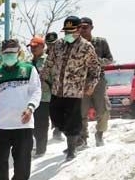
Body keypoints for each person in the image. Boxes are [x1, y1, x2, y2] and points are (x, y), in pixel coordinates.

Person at [0, 39, 41, 180]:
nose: (9, 56)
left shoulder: (29, 70)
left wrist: (31, 108)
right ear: (2, 54)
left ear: (18, 53)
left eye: (12, 53)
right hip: (2, 124)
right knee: (1, 160)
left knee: (23, 158)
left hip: (23, 123)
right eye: (6, 53)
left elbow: (36, 91)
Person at [40, 16, 100, 161]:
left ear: (79, 30)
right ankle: (71, 136)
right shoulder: (58, 45)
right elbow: (49, 63)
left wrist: (91, 85)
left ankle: (71, 149)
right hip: (57, 89)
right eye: (66, 31)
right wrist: (42, 78)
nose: (68, 34)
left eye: (71, 31)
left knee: (72, 121)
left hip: (74, 91)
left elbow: (95, 69)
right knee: (55, 117)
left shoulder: (86, 47)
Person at [79, 17, 114, 147]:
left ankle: (99, 134)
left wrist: (96, 60)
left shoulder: (100, 42)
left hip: (98, 79)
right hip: (82, 81)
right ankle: (83, 138)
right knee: (81, 111)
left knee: (103, 109)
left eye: (85, 27)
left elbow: (110, 59)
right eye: (80, 27)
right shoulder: (76, 44)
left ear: (91, 27)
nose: (82, 30)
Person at [27, 36, 51, 157]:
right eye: (31, 47)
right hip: (30, 98)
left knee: (41, 124)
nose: (33, 49)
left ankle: (41, 149)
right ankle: (33, 146)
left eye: (35, 46)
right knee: (32, 124)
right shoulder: (28, 62)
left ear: (42, 46)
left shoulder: (49, 60)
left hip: (45, 97)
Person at [45, 32, 64, 142]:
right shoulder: (45, 57)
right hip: (48, 88)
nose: (51, 46)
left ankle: (58, 130)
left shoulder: (64, 54)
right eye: (49, 44)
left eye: (53, 44)